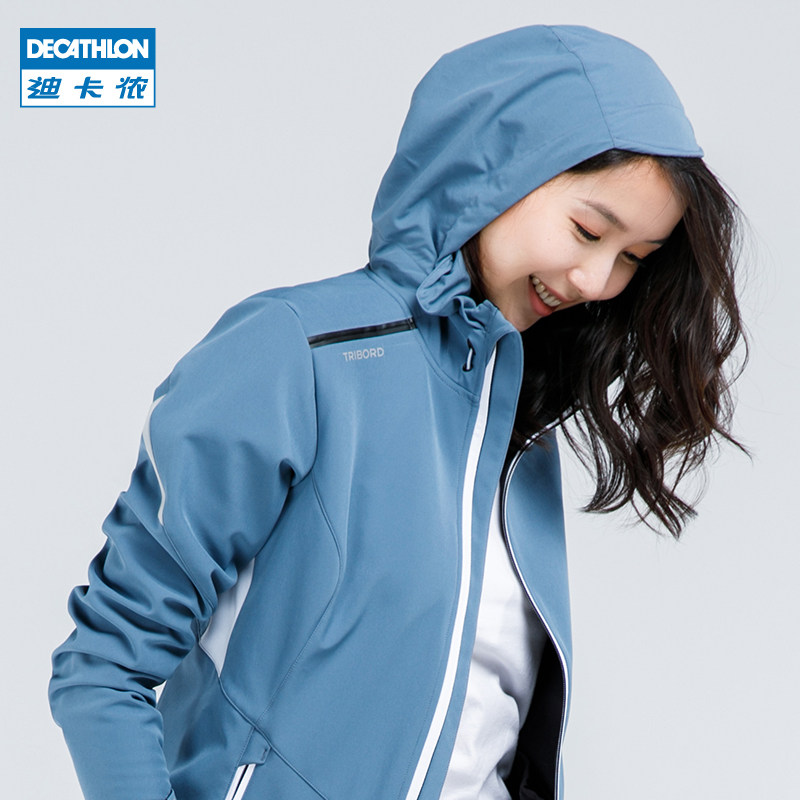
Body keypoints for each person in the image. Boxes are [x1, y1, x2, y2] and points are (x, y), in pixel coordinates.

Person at [49, 24, 745, 800]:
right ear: (496, 168)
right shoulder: (298, 354)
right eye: (588, 230)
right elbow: (104, 665)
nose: (595, 280)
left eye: (632, 259)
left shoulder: (521, 436)